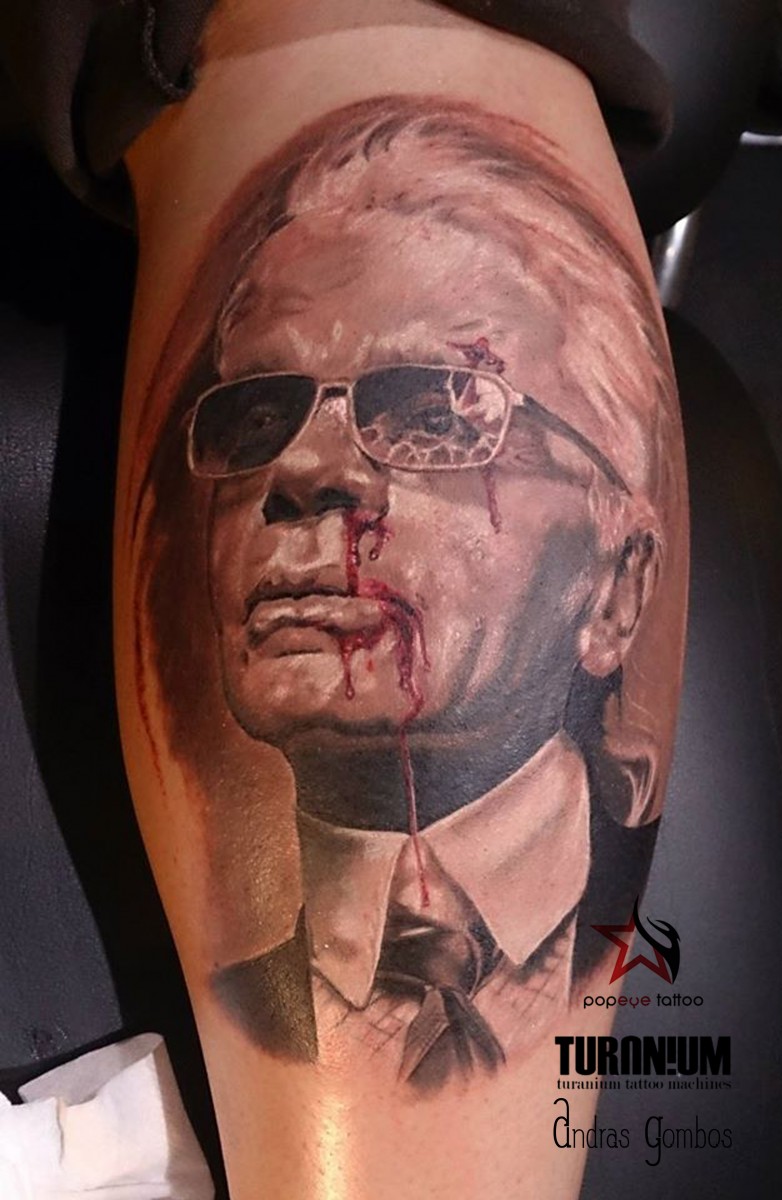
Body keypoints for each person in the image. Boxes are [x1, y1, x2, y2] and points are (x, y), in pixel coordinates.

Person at [130, 97, 685, 1096]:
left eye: (436, 411)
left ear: (616, 586)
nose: (299, 468)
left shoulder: (696, 969)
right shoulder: (195, 993)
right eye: (256, 417)